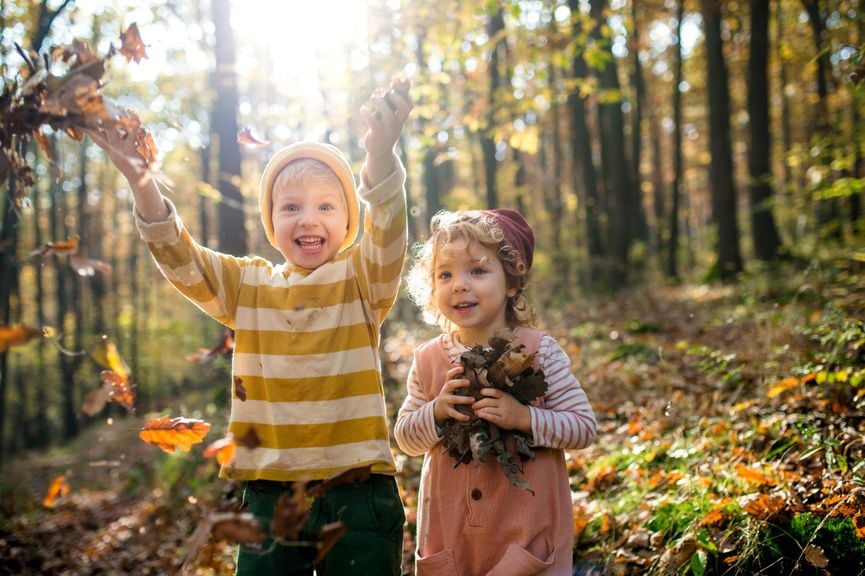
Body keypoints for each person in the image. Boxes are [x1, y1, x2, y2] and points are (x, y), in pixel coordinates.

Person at [87, 80, 413, 576]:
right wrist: (140, 179)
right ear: (271, 221)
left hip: (358, 492)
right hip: (268, 494)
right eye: (291, 207)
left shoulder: (362, 279)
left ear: (349, 222)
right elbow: (180, 256)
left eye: (327, 206)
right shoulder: (247, 286)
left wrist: (380, 155)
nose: (309, 218)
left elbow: (388, 225)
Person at [394, 208, 597, 575]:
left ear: (512, 282)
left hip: (527, 535)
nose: (459, 284)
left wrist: (525, 418)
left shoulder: (538, 351)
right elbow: (406, 439)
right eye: (445, 274)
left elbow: (583, 427)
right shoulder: (428, 360)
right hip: (451, 535)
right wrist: (436, 411)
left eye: (478, 270)